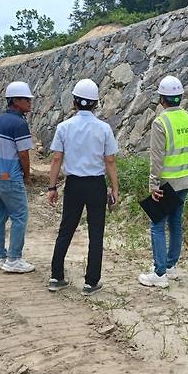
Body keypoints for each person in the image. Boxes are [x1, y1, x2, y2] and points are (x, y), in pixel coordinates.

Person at [46, 78, 119, 296]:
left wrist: (52, 187)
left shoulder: (64, 127)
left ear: (74, 101)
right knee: (96, 233)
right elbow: (110, 161)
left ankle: (56, 276)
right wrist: (114, 189)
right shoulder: (104, 128)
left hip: (73, 184)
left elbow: (57, 159)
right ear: (96, 103)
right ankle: (91, 282)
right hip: (96, 184)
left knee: (66, 230)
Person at [138, 75, 188, 289]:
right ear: (180, 97)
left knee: (157, 225)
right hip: (184, 181)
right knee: (175, 223)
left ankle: (159, 273)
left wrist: (153, 185)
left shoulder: (160, 122)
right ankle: (171, 265)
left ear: (161, 98)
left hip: (166, 184)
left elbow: (156, 159)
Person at [0, 81, 36, 273]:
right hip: (10, 175)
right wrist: (27, 175)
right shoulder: (19, 123)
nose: (30, 103)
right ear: (16, 101)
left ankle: (0, 256)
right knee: (20, 216)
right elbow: (23, 155)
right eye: (26, 99)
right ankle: (14, 259)